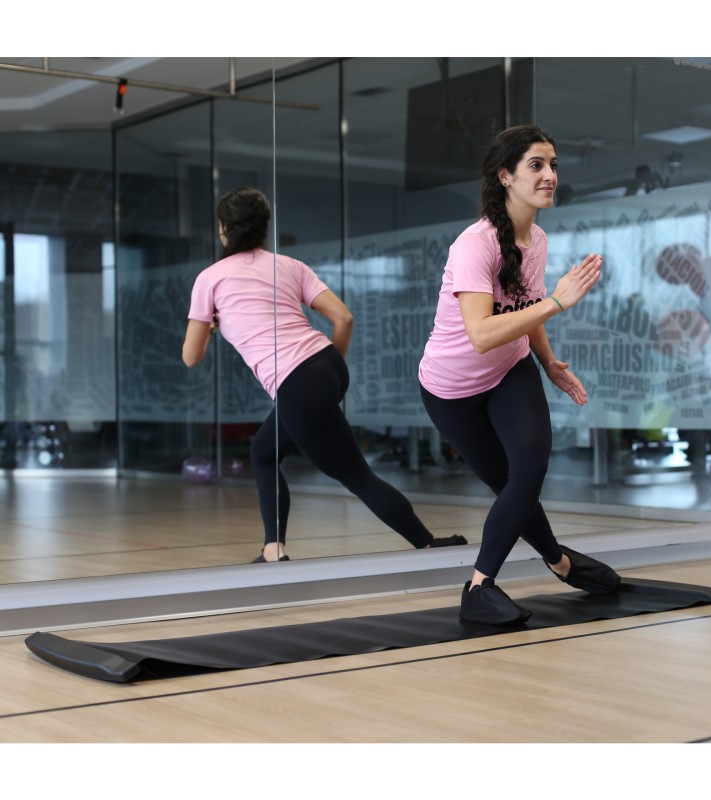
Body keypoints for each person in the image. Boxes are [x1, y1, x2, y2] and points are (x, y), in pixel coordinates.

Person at [182, 187, 467, 562]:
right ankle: (273, 549)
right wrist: (324, 374)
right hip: (327, 365)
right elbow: (344, 317)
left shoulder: (210, 279)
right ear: (263, 227)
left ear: (224, 229)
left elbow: (191, 356)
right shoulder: (289, 265)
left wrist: (211, 326)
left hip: (297, 382)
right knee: (263, 452)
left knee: (356, 476)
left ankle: (427, 544)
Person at [418, 125, 621, 625]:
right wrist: (558, 301)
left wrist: (548, 361)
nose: (549, 175)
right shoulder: (475, 245)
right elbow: (482, 334)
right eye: (536, 165)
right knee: (508, 483)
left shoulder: (538, 239)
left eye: (553, 165)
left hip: (511, 368)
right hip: (451, 389)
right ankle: (557, 561)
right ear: (505, 176)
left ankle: (481, 585)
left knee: (529, 471)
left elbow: (526, 310)